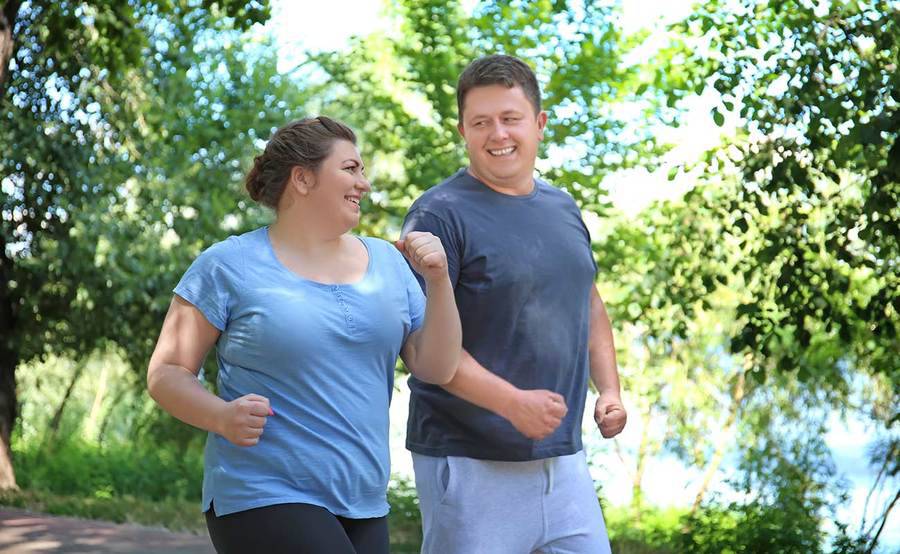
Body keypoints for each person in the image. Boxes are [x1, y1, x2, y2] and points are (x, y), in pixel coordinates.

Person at [146, 116, 461, 554]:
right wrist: (220, 416)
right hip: (262, 492)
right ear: (303, 179)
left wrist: (440, 280)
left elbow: (438, 366)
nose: (364, 184)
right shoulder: (229, 265)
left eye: (363, 170)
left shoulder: (389, 263)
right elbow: (167, 372)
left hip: (364, 500)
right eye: (350, 169)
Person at [402, 54, 627, 553]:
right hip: (469, 463)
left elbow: (587, 303)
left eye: (510, 118)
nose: (497, 134)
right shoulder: (437, 215)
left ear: (540, 124)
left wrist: (608, 390)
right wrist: (511, 403)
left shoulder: (562, 208)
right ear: (463, 130)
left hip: (563, 462)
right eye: (481, 122)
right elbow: (422, 347)